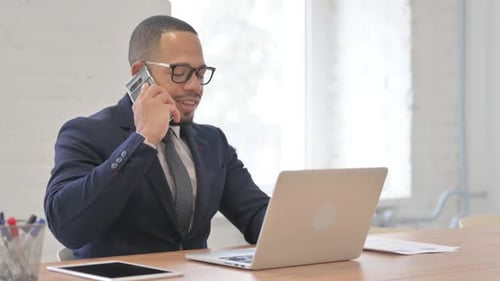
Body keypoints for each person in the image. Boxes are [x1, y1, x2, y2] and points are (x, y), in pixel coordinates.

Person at [44, 15, 270, 259]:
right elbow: (67, 227)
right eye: (181, 72)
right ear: (140, 74)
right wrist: (142, 140)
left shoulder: (213, 142)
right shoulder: (87, 133)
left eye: (200, 73)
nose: (195, 86)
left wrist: (303, 225)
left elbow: (257, 216)